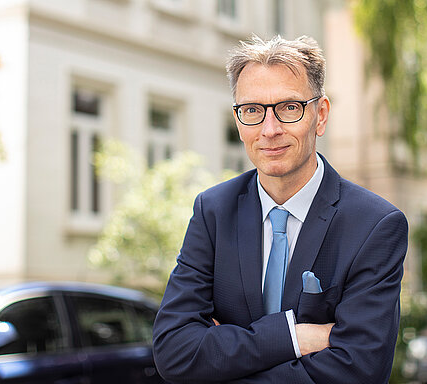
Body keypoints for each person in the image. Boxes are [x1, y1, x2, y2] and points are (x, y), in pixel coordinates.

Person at [152, 35, 408, 384]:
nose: (269, 130)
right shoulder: (213, 212)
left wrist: (221, 358)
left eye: (289, 107)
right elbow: (174, 352)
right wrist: (295, 337)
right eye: (252, 110)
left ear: (320, 115)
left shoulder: (374, 225)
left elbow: (358, 371)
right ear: (239, 121)